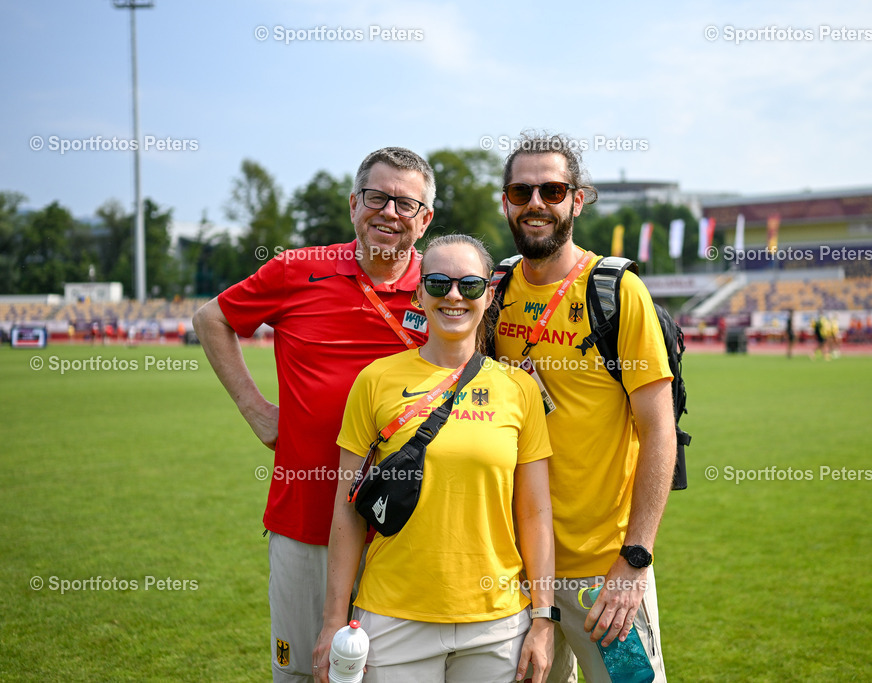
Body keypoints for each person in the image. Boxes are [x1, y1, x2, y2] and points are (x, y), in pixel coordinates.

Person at [192, 147, 435, 682]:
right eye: (377, 197)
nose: (389, 213)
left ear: (425, 218)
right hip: (307, 518)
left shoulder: (444, 287)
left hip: (410, 530)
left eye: (405, 203)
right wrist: (256, 411)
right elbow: (212, 319)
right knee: (306, 673)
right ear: (354, 204)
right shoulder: (296, 269)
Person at [313, 234, 556, 683]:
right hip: (392, 618)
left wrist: (543, 619)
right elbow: (347, 510)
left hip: (496, 624)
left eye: (470, 285)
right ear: (420, 294)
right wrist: (332, 621)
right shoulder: (376, 380)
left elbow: (536, 512)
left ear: (488, 295)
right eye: (439, 283)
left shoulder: (518, 388)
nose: (454, 296)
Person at [491, 133, 675, 683]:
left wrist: (635, 560)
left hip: (604, 576)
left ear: (578, 198)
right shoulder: (492, 289)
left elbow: (660, 432)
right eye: (521, 191)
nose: (536, 204)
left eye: (552, 189)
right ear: (506, 201)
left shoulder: (616, 292)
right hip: (518, 575)